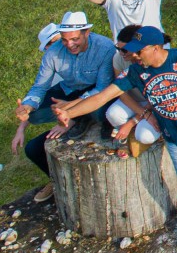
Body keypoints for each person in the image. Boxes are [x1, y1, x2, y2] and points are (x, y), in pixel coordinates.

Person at [56, 26, 177, 252]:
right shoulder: (135, 72)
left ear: (156, 48)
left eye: (139, 52)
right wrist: (69, 114)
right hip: (176, 137)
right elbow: (102, 97)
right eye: (132, 52)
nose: (134, 56)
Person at [13, 11, 118, 202]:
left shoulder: (105, 47)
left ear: (87, 32)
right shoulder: (53, 53)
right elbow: (39, 86)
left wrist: (71, 107)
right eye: (64, 40)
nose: (69, 44)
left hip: (94, 92)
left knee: (98, 110)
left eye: (75, 39)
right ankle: (77, 120)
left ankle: (78, 118)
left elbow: (102, 89)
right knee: (35, 116)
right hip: (68, 90)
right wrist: (27, 107)